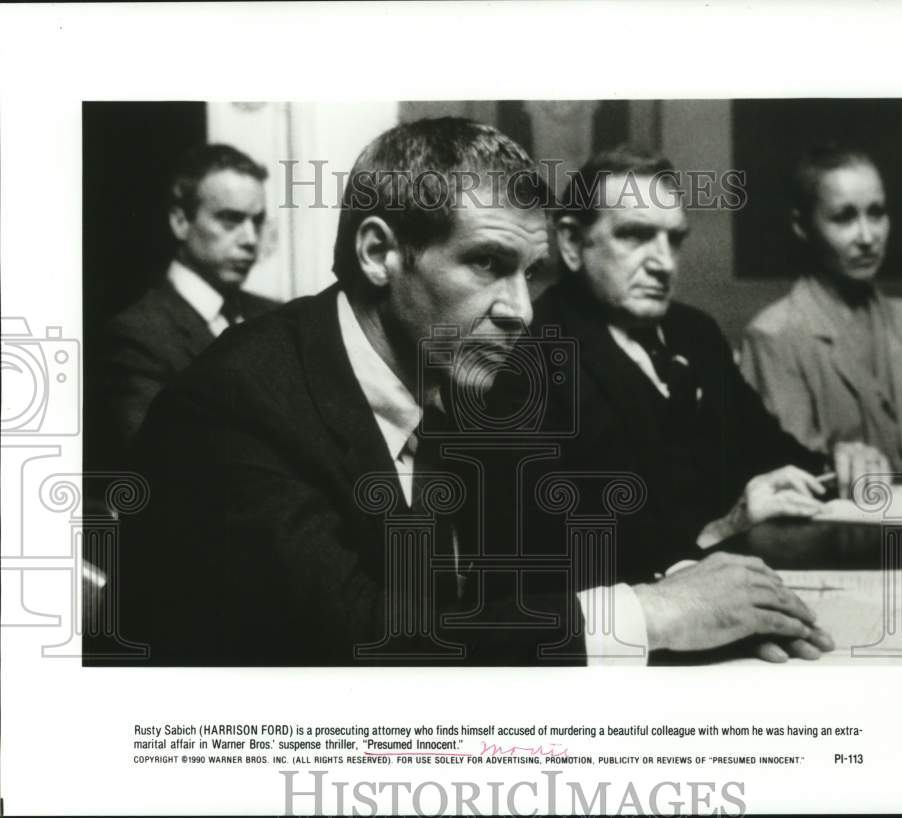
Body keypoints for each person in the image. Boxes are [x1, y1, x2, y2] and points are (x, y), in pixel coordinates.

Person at [111, 119, 832, 667]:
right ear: (378, 252)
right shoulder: (235, 406)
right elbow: (364, 641)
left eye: (530, 271)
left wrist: (700, 584)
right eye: (488, 263)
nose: (519, 307)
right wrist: (652, 616)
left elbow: (566, 533)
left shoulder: (463, 372)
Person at [492, 147, 887, 605]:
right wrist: (722, 528)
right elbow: (553, 566)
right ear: (572, 244)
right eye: (636, 236)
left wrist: (835, 462)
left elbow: (768, 449)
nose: (663, 263)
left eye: (673, 239)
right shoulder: (527, 361)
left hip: (751, 589)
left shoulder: (695, 332)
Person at [741, 143, 902, 473]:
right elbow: (787, 475)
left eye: (876, 213)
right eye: (844, 217)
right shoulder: (774, 337)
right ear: (802, 226)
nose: (867, 236)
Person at [99, 143, 280, 457]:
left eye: (257, 221)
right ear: (180, 222)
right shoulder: (137, 335)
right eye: (230, 219)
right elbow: (162, 465)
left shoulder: (276, 318)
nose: (250, 239)